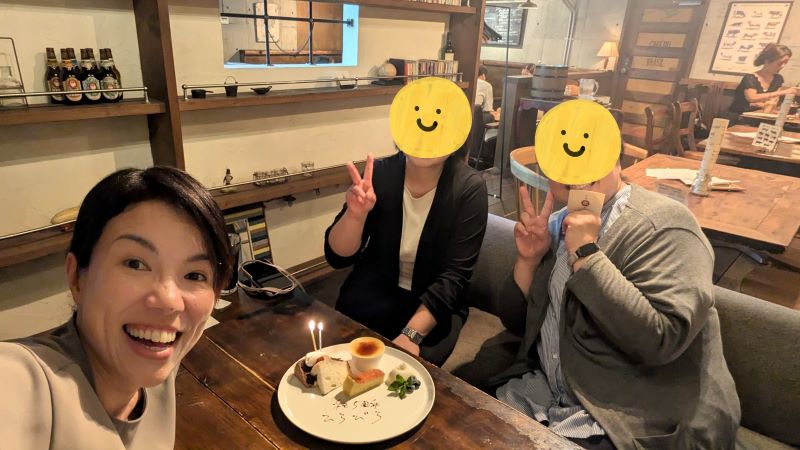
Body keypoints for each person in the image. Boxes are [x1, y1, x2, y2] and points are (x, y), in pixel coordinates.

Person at [490, 100, 740, 449]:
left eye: (588, 148)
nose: (575, 164)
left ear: (615, 154)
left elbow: (661, 340)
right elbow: (516, 323)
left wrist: (587, 254)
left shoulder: (665, 224)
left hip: (630, 415)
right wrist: (528, 260)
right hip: (546, 394)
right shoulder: (559, 223)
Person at [0, 167, 233, 449]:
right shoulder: (27, 381)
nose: (170, 301)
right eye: (135, 264)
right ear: (76, 277)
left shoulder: (156, 359)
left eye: (195, 275)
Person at [325, 77, 488, 367]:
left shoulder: (469, 188)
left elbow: (454, 277)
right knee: (340, 363)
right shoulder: (380, 174)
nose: (427, 125)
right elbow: (338, 256)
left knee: (405, 377)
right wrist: (355, 215)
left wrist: (411, 334)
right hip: (373, 293)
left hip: (433, 308)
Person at [728, 43, 797, 121]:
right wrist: (782, 92)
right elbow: (752, 98)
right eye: (780, 63)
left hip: (761, 117)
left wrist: (766, 104)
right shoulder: (750, 78)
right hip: (739, 117)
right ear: (767, 61)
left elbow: (773, 102)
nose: (782, 66)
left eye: (785, 63)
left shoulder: (778, 79)